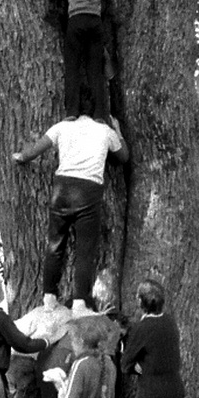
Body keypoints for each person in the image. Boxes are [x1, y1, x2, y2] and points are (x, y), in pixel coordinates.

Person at [12, 109, 129, 315]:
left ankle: (49, 297)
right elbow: (124, 157)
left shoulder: (62, 126)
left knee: (55, 244)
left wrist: (20, 156)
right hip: (89, 192)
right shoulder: (105, 130)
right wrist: (118, 131)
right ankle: (79, 303)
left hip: (63, 189)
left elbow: (33, 151)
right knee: (85, 250)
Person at [47, 0, 110, 121]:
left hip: (78, 20)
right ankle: (100, 114)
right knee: (95, 70)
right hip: (95, 23)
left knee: (73, 66)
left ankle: (72, 112)